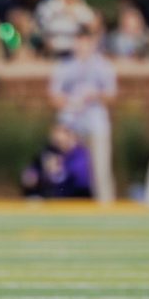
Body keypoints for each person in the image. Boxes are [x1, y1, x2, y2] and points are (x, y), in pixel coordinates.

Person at [50, 28, 117, 203]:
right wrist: (71, 102)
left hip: (96, 123)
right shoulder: (64, 66)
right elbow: (54, 97)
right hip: (71, 125)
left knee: (100, 170)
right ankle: (59, 201)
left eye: (86, 42)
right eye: (79, 42)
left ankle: (105, 207)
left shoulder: (103, 66)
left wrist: (95, 95)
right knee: (62, 167)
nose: (82, 47)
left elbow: (111, 96)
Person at [21, 123, 93, 200]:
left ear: (71, 135)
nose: (55, 137)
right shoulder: (48, 151)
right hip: (50, 200)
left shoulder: (80, 154)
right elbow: (33, 171)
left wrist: (60, 169)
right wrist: (32, 177)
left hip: (75, 200)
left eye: (59, 132)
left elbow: (82, 181)